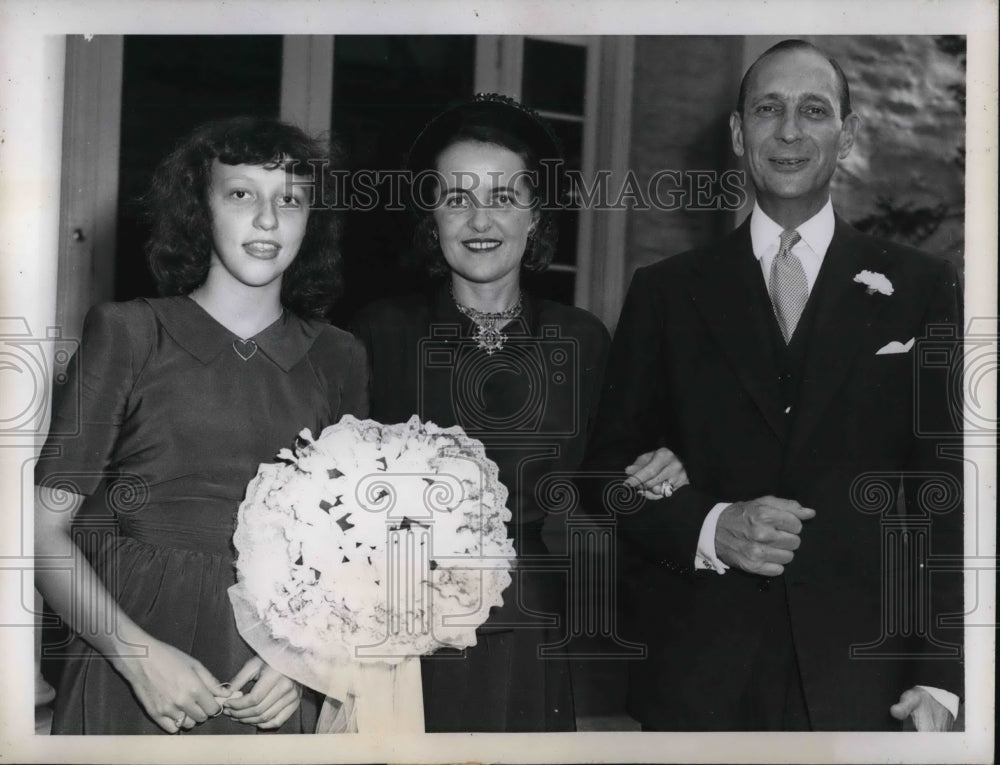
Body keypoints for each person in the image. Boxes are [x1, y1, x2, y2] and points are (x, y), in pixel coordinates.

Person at [583, 40, 964, 731]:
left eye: (813, 111)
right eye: (768, 109)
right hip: (700, 681)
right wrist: (710, 525)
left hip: (867, 680)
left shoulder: (921, 287)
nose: (789, 130)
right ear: (738, 134)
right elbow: (606, 475)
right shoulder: (666, 293)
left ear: (845, 136)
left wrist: (941, 675)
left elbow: (946, 490)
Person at [34, 116, 369, 734]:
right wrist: (137, 659)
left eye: (290, 199)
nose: (268, 219)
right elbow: (41, 533)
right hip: (132, 652)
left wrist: (301, 662)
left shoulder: (339, 355)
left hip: (273, 676)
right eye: (241, 194)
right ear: (199, 208)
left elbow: (352, 546)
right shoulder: (129, 332)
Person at [351, 93, 612, 732]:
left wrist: (660, 465)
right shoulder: (377, 334)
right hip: (400, 625)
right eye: (457, 198)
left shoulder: (581, 340)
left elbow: (612, 475)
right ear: (431, 216)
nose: (479, 219)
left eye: (502, 196)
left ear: (536, 215)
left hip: (527, 622)